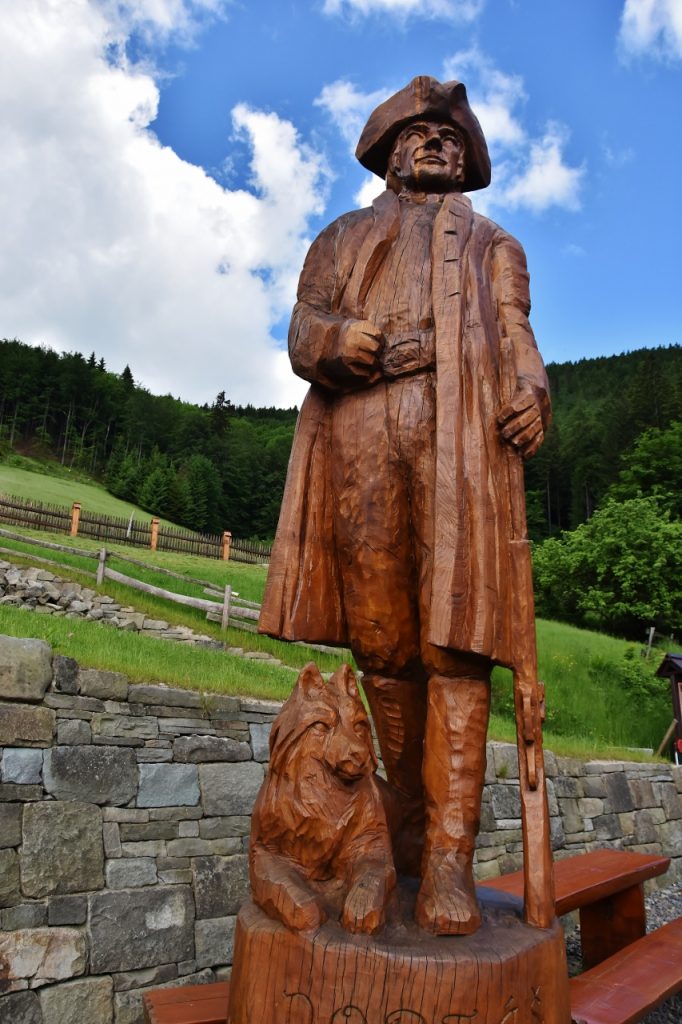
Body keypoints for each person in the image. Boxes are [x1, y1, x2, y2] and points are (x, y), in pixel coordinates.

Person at [259, 76, 551, 936]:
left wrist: (533, 388)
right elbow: (302, 329)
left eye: (452, 139)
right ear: (388, 151)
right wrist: (334, 341)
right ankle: (413, 835)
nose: (438, 145)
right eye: (421, 135)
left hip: (458, 451)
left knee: (455, 646)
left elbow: (519, 335)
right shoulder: (344, 238)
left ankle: (451, 862)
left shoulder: (494, 245)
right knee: (385, 649)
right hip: (360, 445)